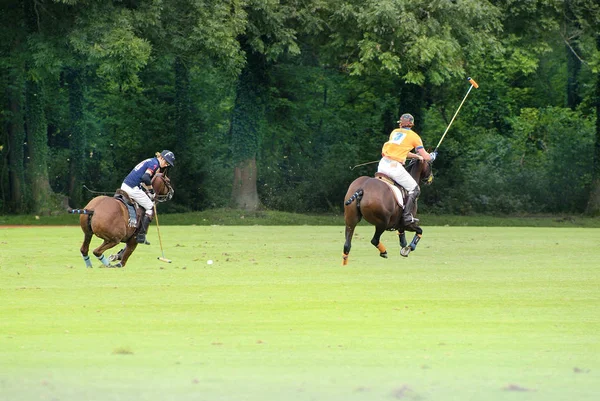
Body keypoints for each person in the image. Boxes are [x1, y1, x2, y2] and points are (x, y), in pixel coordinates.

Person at [378, 113, 436, 225]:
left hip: (382, 164)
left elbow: (402, 151)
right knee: (415, 189)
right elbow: (427, 157)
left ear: (401, 123)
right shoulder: (415, 137)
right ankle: (407, 217)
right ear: (411, 124)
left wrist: (416, 156)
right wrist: (432, 156)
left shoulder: (394, 132)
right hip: (394, 167)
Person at [121, 150, 175, 244]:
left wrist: (148, 189)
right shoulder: (155, 164)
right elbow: (145, 177)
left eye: (168, 164)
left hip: (126, 185)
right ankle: (141, 235)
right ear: (161, 158)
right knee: (150, 207)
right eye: (166, 162)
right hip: (132, 188)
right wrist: (151, 191)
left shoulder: (150, 160)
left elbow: (142, 179)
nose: (166, 165)